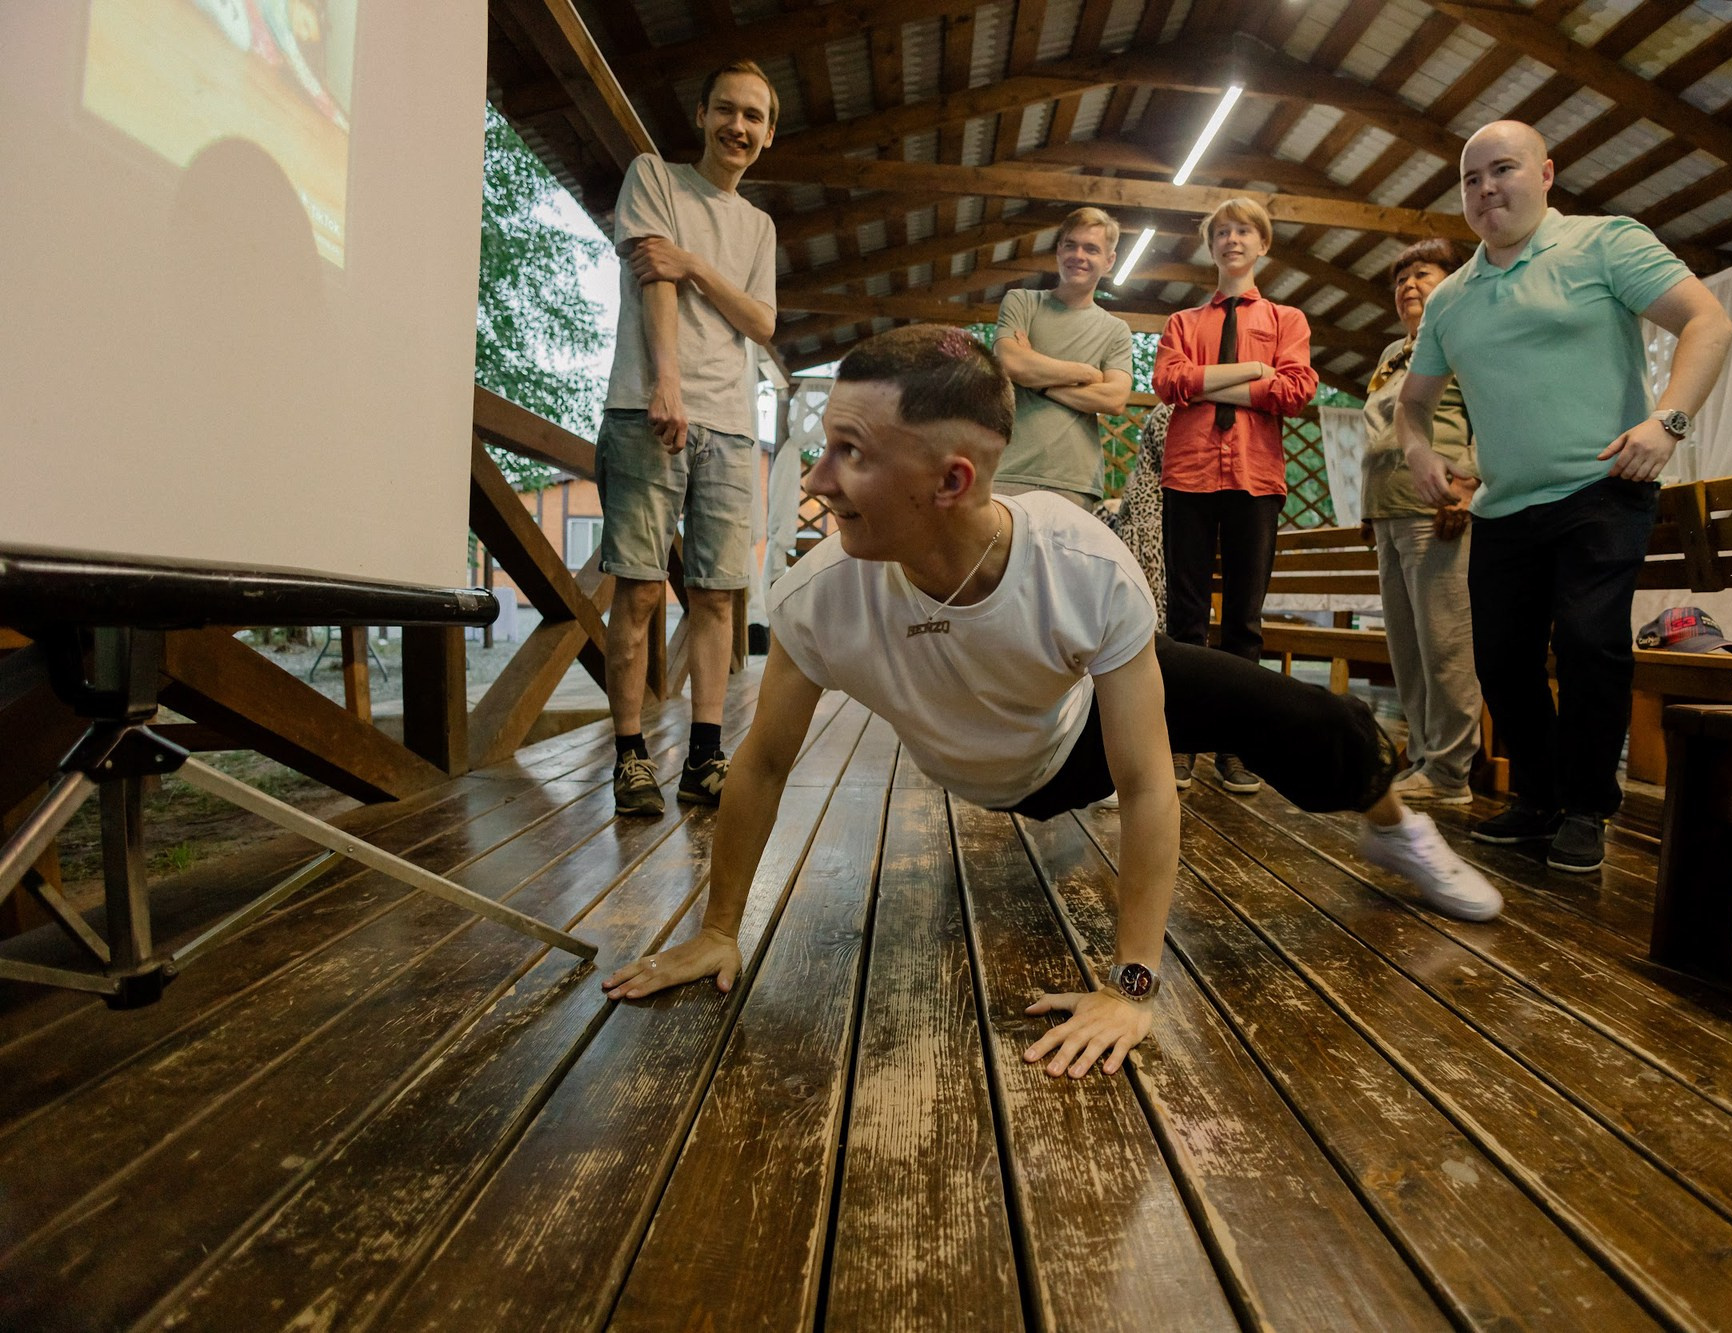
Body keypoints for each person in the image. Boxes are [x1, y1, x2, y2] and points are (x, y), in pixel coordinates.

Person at [601, 326, 1503, 1079]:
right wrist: (719, 928)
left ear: (952, 480)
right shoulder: (819, 597)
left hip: (1078, 736)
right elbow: (759, 763)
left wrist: (1133, 983)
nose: (817, 482)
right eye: (826, 447)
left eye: (851, 454)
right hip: (995, 768)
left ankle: (1393, 822)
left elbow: (1150, 785)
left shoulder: (1082, 570)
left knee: (1302, 718)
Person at [1397, 120, 1732, 873]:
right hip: (1504, 506)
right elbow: (1411, 404)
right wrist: (1421, 451)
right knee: (1503, 662)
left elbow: (1707, 320)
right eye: (1471, 179)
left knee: (1589, 641)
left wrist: (1667, 422)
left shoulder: (1605, 243)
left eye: (1503, 170)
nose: (1487, 189)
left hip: (1603, 485)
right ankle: (1537, 800)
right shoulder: (1450, 300)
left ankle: (1587, 806)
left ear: (1546, 174)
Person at [597, 62, 780, 816]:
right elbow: (654, 282)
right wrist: (664, 384)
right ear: (702, 113)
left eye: (755, 118)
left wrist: (698, 262)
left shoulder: (759, 226)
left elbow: (763, 323)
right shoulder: (656, 178)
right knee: (640, 588)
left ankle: (704, 757)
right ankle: (629, 755)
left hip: (734, 426)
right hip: (651, 411)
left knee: (716, 597)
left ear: (768, 136)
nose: (739, 127)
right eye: (728, 111)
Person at [1151, 198, 1319, 796]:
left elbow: (1297, 391)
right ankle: (1182, 742)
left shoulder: (1287, 319)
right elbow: (1168, 383)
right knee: (1186, 617)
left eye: (1243, 230)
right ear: (1211, 245)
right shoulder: (1183, 324)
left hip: (1255, 478)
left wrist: (1212, 381)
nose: (1231, 239)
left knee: (1245, 620)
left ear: (1262, 243)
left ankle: (1237, 747)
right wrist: (1252, 371)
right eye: (1220, 231)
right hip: (1189, 477)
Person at [1361, 239, 1481, 806]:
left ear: (1451, 279)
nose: (1408, 285)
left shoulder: (1464, 335)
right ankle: (1423, 756)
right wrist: (1366, 508)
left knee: (1444, 643)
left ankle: (1452, 771)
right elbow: (1381, 433)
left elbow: (1487, 415)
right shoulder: (1392, 352)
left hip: (1437, 504)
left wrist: (1468, 485)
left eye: (1422, 273)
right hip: (1387, 510)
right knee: (1405, 646)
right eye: (1400, 278)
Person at [991, 207, 1134, 509]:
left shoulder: (1116, 330)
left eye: (1091, 249)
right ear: (1058, 251)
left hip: (1075, 480)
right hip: (1009, 469)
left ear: (1109, 261)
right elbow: (1010, 362)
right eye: (1071, 244)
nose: (1078, 255)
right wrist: (1085, 373)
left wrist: (1039, 382)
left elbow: (1114, 399)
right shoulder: (1022, 301)